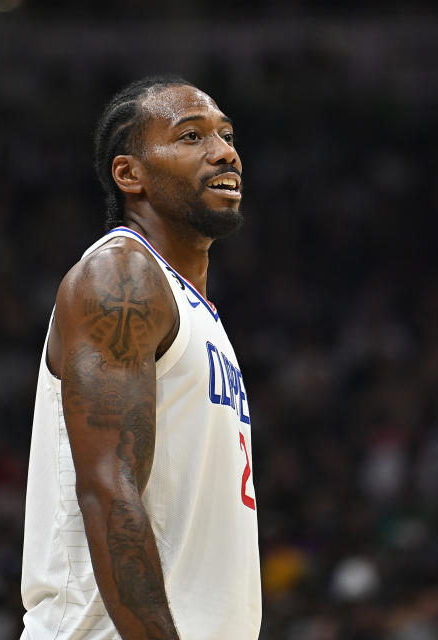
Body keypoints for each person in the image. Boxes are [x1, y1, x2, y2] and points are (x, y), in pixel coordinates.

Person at [20, 75, 261, 640]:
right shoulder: (120, 276)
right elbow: (109, 487)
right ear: (130, 174)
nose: (225, 150)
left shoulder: (188, 304)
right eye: (191, 136)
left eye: (226, 134)